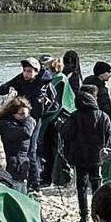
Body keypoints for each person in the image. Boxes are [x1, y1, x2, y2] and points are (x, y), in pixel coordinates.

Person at [0, 58, 55, 193]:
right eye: (24, 71)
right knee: (21, 149)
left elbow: (53, 103)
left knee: (31, 151)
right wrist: (9, 89)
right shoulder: (20, 79)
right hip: (19, 117)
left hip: (34, 119)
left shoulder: (44, 83)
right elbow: (1, 89)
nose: (26, 74)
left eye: (29, 71)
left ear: (36, 72)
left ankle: (34, 184)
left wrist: (41, 113)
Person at [60, 86, 111, 222]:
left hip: (79, 157)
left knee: (81, 187)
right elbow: (108, 135)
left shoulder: (75, 116)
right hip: (97, 157)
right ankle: (99, 216)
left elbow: (66, 134)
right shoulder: (103, 116)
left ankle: (84, 217)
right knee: (97, 186)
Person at [38, 56, 76, 189]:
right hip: (54, 119)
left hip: (55, 119)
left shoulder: (59, 79)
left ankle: (51, 178)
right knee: (50, 149)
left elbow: (58, 102)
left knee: (53, 149)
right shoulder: (58, 78)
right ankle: (49, 176)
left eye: (46, 67)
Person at [0, 96, 36, 191]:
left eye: (26, 114)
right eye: (21, 114)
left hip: (19, 166)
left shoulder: (19, 123)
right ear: (12, 113)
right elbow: (25, 133)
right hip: (11, 166)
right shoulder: (4, 124)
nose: (24, 117)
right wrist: (29, 120)